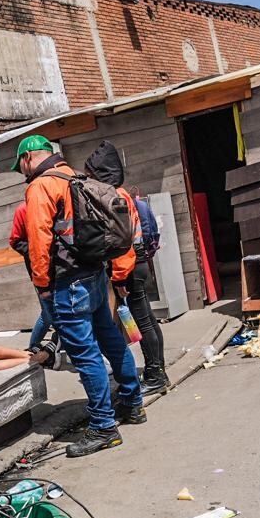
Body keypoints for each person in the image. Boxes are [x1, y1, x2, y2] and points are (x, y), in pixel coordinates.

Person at [14, 134, 144, 458]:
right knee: (112, 341)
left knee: (85, 356)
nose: (23, 173)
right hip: (95, 273)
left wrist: (42, 283)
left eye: (20, 166)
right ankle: (133, 404)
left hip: (68, 282)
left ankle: (103, 427)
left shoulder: (41, 186)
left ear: (28, 157)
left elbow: (39, 238)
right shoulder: (75, 176)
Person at [84, 141, 168, 395]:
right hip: (138, 265)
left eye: (91, 174)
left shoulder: (114, 198)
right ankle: (158, 370)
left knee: (143, 322)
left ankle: (155, 374)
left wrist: (119, 278)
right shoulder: (122, 195)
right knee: (149, 320)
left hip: (130, 269)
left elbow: (122, 243)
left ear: (100, 173)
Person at [9, 202, 55, 351]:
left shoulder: (53, 204)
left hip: (62, 268)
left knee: (51, 313)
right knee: (49, 313)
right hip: (40, 271)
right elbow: (15, 240)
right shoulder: (23, 209)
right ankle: (35, 346)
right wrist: (37, 251)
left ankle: (35, 345)